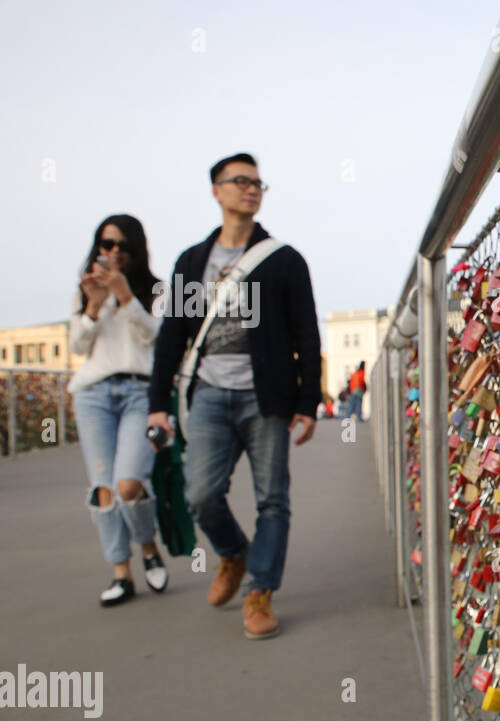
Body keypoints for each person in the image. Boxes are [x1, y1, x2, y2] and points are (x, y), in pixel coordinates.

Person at [148, 153, 321, 640]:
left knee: (272, 499)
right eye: (239, 181)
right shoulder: (191, 261)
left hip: (266, 398)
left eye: (257, 182)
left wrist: (308, 404)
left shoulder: (284, 260)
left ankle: (259, 590)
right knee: (200, 494)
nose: (250, 188)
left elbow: (307, 335)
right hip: (207, 395)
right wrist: (157, 402)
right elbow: (171, 336)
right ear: (216, 190)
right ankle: (233, 553)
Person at [67, 215, 170, 606]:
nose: (112, 253)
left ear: (136, 251)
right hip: (93, 393)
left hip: (140, 392)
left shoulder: (156, 290)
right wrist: (93, 308)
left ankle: (148, 547)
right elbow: (78, 347)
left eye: (121, 247)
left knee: (129, 483)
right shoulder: (86, 289)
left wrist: (125, 296)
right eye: (105, 245)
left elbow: (153, 338)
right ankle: (120, 572)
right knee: (104, 488)